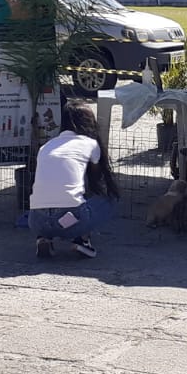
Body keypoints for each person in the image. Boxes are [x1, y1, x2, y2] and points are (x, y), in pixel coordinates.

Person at [29, 100, 120, 259]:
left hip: (37, 220)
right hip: (69, 220)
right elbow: (96, 177)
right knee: (108, 201)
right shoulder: (90, 144)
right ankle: (82, 240)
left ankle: (44, 238)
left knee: (52, 205)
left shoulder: (46, 147)